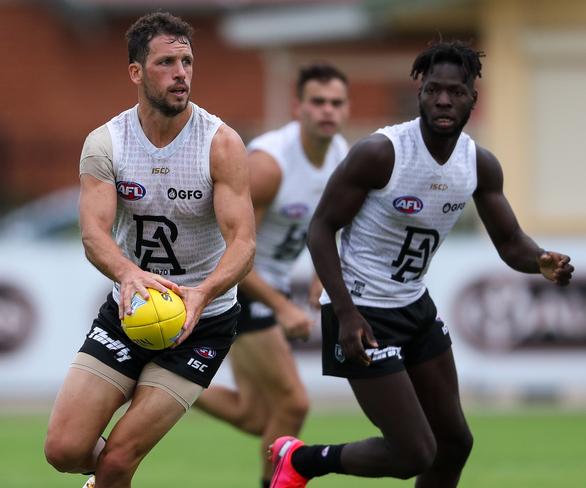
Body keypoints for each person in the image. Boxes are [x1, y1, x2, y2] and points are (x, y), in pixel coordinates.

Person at [267, 40, 575, 488]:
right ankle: (302, 461)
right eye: (434, 90)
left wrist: (540, 261)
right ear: (420, 94)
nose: (444, 100)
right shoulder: (382, 153)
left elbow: (510, 242)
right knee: (413, 451)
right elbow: (321, 228)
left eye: (455, 91)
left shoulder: (479, 164)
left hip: (414, 308)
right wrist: (346, 311)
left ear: (474, 97)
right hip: (362, 313)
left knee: (454, 444)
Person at [43, 11, 255, 488]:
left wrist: (202, 293)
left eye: (187, 61)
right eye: (166, 62)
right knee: (64, 450)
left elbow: (244, 243)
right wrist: (128, 274)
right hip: (132, 308)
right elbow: (93, 234)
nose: (181, 73)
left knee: (118, 462)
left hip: (202, 322)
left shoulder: (220, 143)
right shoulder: (107, 143)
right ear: (137, 72)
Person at [195, 62, 349, 487]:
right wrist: (281, 306)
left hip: (268, 287)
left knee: (256, 415)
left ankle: (163, 377)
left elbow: (327, 225)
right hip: (237, 285)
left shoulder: (339, 155)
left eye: (336, 103)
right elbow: (232, 250)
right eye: (317, 102)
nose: (327, 111)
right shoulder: (269, 165)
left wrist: (323, 276)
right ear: (298, 107)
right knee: (294, 404)